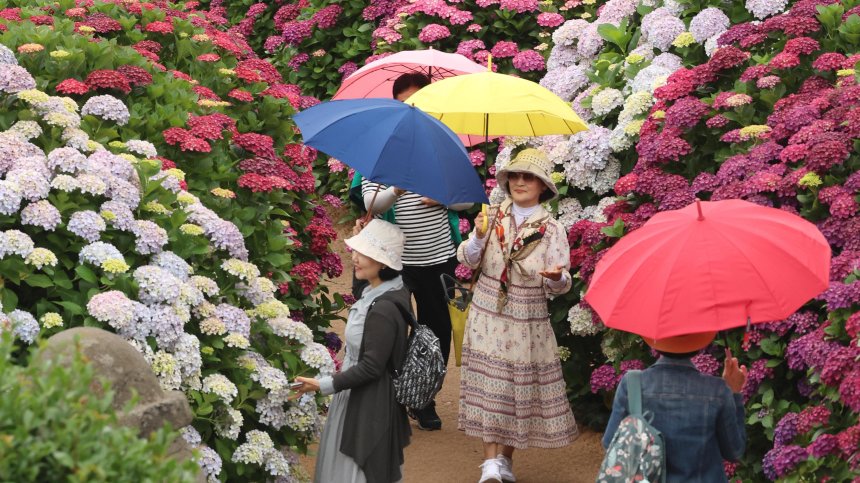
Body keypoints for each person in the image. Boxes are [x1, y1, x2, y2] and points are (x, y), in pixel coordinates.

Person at [360, 71, 472, 431]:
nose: (412, 108)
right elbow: (370, 203)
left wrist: (444, 198)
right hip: (393, 261)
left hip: (438, 258)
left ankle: (423, 399)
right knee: (390, 328)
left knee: (435, 331)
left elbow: (469, 198)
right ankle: (389, 398)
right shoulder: (380, 149)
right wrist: (397, 189)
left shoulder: (442, 145)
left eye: (420, 102)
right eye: (406, 102)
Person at [457, 148, 577, 483]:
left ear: (542, 186)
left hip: (528, 316)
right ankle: (490, 463)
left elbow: (563, 282)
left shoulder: (552, 229)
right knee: (492, 385)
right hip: (489, 308)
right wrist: (479, 237)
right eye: (515, 176)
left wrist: (557, 278)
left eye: (528, 177)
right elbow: (468, 260)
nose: (520, 182)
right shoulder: (492, 216)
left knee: (513, 389)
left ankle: (504, 460)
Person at [292, 219, 412, 483]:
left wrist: (321, 384)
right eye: (356, 251)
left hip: (368, 401)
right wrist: (364, 236)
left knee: (353, 472)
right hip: (363, 395)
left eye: (364, 253)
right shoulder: (388, 289)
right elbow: (361, 290)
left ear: (383, 262)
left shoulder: (384, 309)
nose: (354, 258)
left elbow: (371, 367)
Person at [602, 332, 749, 482]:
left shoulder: (632, 384)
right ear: (699, 339)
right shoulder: (717, 390)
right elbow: (734, 451)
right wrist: (734, 392)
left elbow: (610, 442)